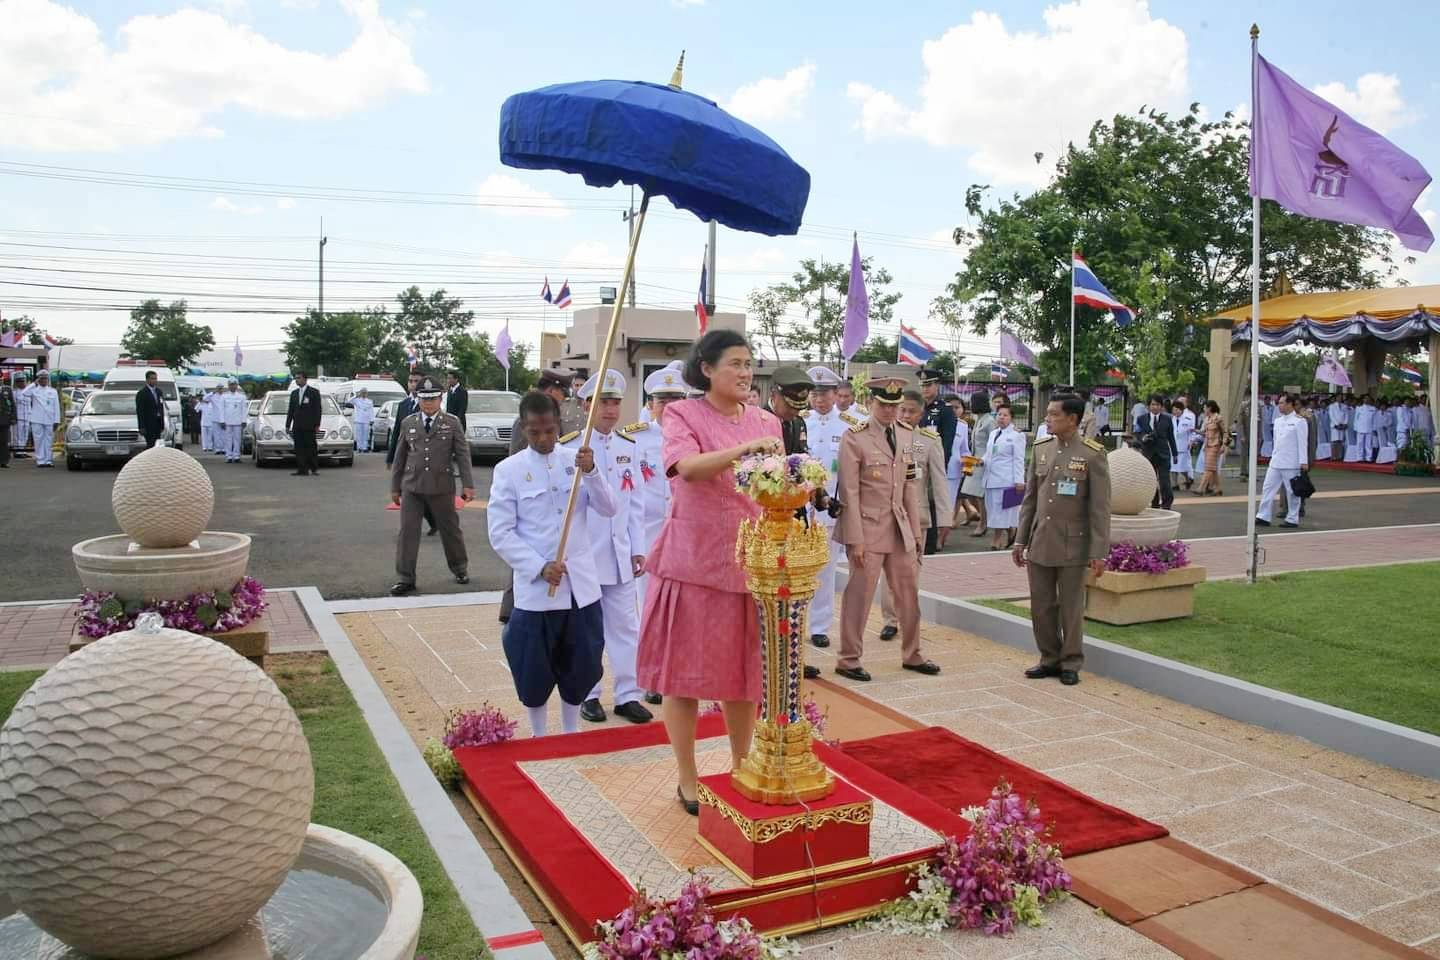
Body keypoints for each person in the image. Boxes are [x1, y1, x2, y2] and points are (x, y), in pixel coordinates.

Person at [635, 329, 783, 816]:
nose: (744, 372)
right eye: (735, 364)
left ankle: (742, 765)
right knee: (682, 678)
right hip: (693, 561)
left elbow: (775, 490)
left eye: (748, 364)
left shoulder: (766, 420)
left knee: (744, 677)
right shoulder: (682, 413)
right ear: (707, 369)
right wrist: (744, 451)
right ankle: (687, 777)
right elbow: (688, 468)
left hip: (749, 563)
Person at [488, 391, 614, 738]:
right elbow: (500, 533)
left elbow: (609, 508)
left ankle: (571, 731)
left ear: (558, 424)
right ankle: (539, 734)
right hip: (537, 593)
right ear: (523, 428)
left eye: (549, 430)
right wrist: (538, 566)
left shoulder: (578, 460)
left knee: (581, 665)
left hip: (580, 590)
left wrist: (592, 472)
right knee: (533, 668)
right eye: (534, 432)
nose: (543, 438)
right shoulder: (509, 471)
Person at [833, 376, 940, 682]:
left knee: (908, 593)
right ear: (870, 403)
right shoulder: (854, 438)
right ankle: (849, 659)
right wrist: (855, 539)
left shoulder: (905, 434)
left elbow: (909, 487)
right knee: (860, 595)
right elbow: (849, 493)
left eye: (894, 406)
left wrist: (916, 534)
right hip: (867, 527)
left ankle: (913, 653)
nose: (890, 411)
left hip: (899, 527)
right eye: (883, 405)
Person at [560, 369, 652, 725]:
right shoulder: (569, 448)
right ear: (587, 406)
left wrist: (637, 547)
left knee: (626, 628)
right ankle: (589, 694)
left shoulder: (629, 445)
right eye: (603, 403)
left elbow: (635, 503)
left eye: (615, 403)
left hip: (620, 554)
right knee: (588, 632)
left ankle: (628, 695)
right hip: (586, 556)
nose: (611, 410)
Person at [1011, 393, 1110, 686]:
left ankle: (1071, 661)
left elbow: (1100, 508)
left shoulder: (1092, 454)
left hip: (1073, 543)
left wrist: (1098, 551)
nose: (1048, 418)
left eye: (1054, 414)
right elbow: (1030, 499)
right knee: (1041, 606)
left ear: (1072, 419)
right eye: (1048, 413)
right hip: (1041, 540)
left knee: (1070, 607)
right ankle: (1049, 658)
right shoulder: (1042, 449)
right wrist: (1020, 540)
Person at [630, 362, 689, 706]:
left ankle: (677, 673)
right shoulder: (635, 438)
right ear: (650, 405)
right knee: (648, 608)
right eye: (661, 401)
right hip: (649, 534)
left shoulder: (693, 436)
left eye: (675, 400)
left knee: (683, 610)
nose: (668, 407)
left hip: (685, 534)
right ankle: (649, 677)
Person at [390, 375, 474, 594]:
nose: (428, 403)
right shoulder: (408, 422)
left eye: (432, 399)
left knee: (450, 530)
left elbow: (462, 455)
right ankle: (405, 577)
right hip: (412, 486)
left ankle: (459, 568)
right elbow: (400, 457)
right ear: (418, 399)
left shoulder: (452, 423)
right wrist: (395, 487)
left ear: (440, 399)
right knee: (408, 532)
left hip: (441, 486)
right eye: (424, 399)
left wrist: (468, 484)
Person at [879, 389, 948, 637]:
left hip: (917, 517)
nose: (906, 415)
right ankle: (890, 620)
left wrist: (945, 518)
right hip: (887, 514)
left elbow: (939, 481)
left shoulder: (929, 441)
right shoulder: (882, 437)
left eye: (912, 411)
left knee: (911, 570)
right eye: (902, 410)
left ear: (921, 414)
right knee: (888, 570)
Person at [805, 365, 848, 656]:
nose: (820, 399)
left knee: (826, 569)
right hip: (798, 510)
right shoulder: (801, 422)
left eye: (825, 394)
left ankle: (819, 627)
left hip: (829, 509)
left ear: (836, 394)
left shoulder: (847, 426)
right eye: (815, 394)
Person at [1255, 392, 1308, 528]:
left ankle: (1292, 519)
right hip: (1276, 461)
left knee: (1292, 492)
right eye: (1279, 403)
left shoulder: (1299, 421)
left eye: (1282, 403)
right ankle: (1263, 516)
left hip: (1291, 462)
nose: (1279, 406)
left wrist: (1303, 461)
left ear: (1290, 404)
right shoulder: (1278, 421)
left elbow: (1303, 443)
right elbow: (1276, 442)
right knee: (1267, 488)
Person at [981, 403, 1026, 551]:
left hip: (1005, 479)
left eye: (1005, 415)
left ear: (1011, 418)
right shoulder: (994, 433)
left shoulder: (1017, 435)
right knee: (992, 510)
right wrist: (980, 461)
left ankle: (996, 539)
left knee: (1001, 511)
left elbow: (1019, 459)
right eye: (999, 414)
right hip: (989, 477)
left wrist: (1019, 481)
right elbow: (989, 454)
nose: (1001, 417)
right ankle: (1011, 529)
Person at [509, 369, 581, 455]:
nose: (564, 399)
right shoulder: (527, 420)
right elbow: (516, 456)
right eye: (563, 393)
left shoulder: (554, 418)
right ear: (551, 391)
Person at [958, 389, 994, 540]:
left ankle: (983, 524)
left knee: (980, 495)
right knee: (970, 492)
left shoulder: (989, 421)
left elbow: (993, 443)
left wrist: (985, 459)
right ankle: (983, 518)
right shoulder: (979, 419)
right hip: (974, 461)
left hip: (984, 462)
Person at [1134, 394, 1178, 510]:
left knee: (1164, 481)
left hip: (1163, 454)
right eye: (1153, 404)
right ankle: (1154, 502)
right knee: (1151, 480)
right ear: (1148, 406)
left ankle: (1167, 503)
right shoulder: (1141, 419)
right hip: (1148, 453)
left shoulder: (1168, 419)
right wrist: (1143, 438)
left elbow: (1171, 437)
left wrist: (1175, 454)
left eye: (1158, 404)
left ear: (1161, 406)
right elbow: (1137, 434)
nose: (1155, 407)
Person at [945, 398, 977, 536]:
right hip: (935, 469)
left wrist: (968, 466)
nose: (953, 410)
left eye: (957, 407)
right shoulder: (937, 421)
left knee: (949, 506)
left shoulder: (962, 426)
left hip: (954, 470)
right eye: (950, 407)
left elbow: (965, 450)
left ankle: (942, 538)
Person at [286, 372, 322, 476]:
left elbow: (318, 409)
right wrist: (288, 424)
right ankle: (302, 469)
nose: (297, 380)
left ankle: (314, 468)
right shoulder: (294, 393)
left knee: (311, 447)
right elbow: (291, 410)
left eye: (299, 378)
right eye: (296, 378)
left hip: (309, 426)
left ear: (305, 379)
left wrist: (317, 424)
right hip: (297, 426)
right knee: (299, 448)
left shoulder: (313, 392)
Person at [28, 370, 60, 468]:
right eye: (42, 379)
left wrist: (56, 420)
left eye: (45, 378)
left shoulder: (53, 391)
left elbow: (56, 407)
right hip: (37, 419)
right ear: (38, 380)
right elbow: (24, 393)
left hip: (49, 419)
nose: (44, 380)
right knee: (38, 440)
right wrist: (33, 384)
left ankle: (48, 460)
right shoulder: (34, 390)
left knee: (49, 440)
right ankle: (40, 460)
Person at [1195, 400, 1226, 496]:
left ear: (1209, 408)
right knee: (1213, 468)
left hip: (1216, 445)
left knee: (1209, 468)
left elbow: (1225, 432)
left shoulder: (1218, 418)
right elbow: (1204, 432)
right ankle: (1218, 489)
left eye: (1205, 407)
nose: (1204, 409)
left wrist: (1224, 445)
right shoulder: (1207, 419)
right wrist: (1195, 431)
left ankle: (1201, 488)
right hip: (1207, 445)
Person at [135, 370, 167, 449]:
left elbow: (161, 407)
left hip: (158, 424)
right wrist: (141, 427)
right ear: (147, 380)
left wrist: (162, 424)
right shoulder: (142, 393)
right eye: (152, 378)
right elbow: (140, 411)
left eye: (155, 378)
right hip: (148, 425)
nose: (154, 381)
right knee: (151, 445)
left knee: (157, 445)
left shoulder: (159, 391)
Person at [219, 379, 247, 462]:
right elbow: (221, 409)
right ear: (228, 386)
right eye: (231, 385)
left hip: (238, 421)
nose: (232, 386)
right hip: (227, 421)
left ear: (237, 385)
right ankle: (229, 456)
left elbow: (243, 409)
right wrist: (222, 421)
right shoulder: (224, 396)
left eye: (234, 384)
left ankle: (237, 456)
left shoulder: (242, 397)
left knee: (237, 439)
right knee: (228, 439)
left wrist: (244, 420)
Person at [1171, 399, 1196, 491]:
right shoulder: (1171, 419)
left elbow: (1192, 432)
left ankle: (1188, 479)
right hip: (1173, 446)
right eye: (1174, 410)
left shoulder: (1188, 419)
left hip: (1183, 446)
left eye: (1177, 410)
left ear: (1181, 410)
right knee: (1173, 467)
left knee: (1182, 467)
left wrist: (1191, 441)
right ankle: (1175, 484)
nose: (1175, 411)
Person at [12, 374, 30, 460]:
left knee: (25, 435)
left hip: (27, 416)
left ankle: (23, 451)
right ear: (17, 383)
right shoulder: (14, 393)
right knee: (18, 435)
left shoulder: (28, 392)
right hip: (18, 417)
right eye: (20, 381)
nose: (23, 383)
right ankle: (17, 452)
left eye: (24, 381)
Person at [352, 388, 375, 453]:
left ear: (367, 394)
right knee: (359, 435)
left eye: (365, 393)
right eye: (363, 393)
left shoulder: (370, 401)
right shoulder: (357, 400)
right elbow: (349, 401)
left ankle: (364, 448)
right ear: (361, 393)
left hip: (366, 420)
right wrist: (356, 396)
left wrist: (372, 419)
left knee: (366, 435)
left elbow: (371, 411)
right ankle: (359, 447)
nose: (364, 394)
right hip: (358, 420)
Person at [0, 376, 16, 468]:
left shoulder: (7, 389)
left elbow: (12, 404)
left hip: (4, 419)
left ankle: (4, 461)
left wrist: (13, 417)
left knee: (4, 441)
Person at [199, 387, 217, 453]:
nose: (207, 399)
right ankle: (204, 447)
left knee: (210, 436)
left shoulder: (212, 405)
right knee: (204, 436)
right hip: (203, 422)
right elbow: (196, 409)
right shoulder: (202, 404)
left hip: (210, 422)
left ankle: (210, 447)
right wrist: (200, 402)